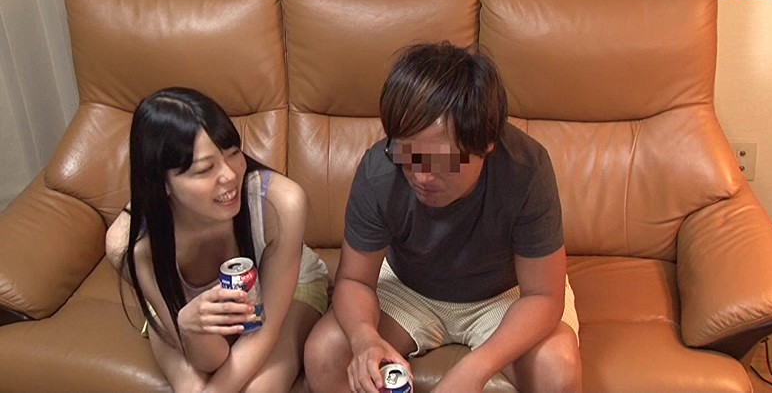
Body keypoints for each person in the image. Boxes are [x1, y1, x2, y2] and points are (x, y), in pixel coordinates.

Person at [304, 42, 581, 392]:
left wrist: (474, 370)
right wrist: (364, 339)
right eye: (407, 155)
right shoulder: (380, 171)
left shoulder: (526, 170)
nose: (421, 176)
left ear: (486, 144)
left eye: (441, 161)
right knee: (326, 353)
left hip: (504, 294)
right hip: (409, 288)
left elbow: (542, 295)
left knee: (557, 369)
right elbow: (354, 281)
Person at [105, 87, 328, 392]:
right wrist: (189, 327)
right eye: (205, 169)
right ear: (162, 182)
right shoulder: (132, 245)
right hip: (185, 314)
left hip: (284, 291)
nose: (230, 176)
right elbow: (209, 361)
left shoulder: (281, 203)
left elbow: (264, 331)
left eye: (233, 153)